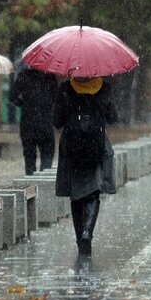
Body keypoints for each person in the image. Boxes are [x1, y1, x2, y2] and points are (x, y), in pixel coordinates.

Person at [53, 76, 117, 257]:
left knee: (76, 195)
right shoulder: (104, 87)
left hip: (72, 148)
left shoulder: (66, 88)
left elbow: (57, 121)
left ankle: (80, 242)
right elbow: (113, 118)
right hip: (95, 147)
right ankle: (87, 231)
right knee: (93, 192)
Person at [10, 67, 58, 175]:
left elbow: (13, 96)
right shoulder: (50, 77)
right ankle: (43, 182)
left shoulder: (24, 76)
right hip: (46, 123)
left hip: (28, 123)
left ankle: (31, 184)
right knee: (47, 155)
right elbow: (56, 99)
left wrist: (23, 103)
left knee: (29, 157)